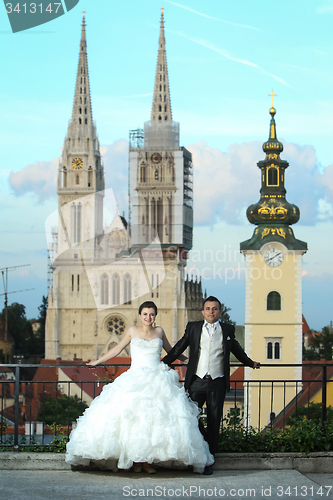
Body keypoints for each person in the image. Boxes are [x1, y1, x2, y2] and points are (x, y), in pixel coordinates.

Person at [65, 301, 214, 474]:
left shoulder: (159, 332)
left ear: (155, 316)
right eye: (145, 314)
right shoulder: (132, 331)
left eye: (151, 314)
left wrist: (190, 361)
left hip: (157, 379)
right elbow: (117, 350)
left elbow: (171, 351)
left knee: (153, 422)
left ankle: (147, 462)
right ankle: (136, 461)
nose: (148, 317)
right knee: (134, 421)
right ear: (140, 315)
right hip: (135, 378)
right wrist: (97, 361)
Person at [162, 296, 260, 475]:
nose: (211, 311)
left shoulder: (228, 329)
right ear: (203, 311)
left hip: (218, 382)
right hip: (196, 381)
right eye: (208, 308)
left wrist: (250, 362)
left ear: (220, 312)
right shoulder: (193, 327)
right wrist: (163, 362)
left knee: (214, 422)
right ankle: (196, 453)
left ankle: (208, 461)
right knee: (191, 417)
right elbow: (179, 347)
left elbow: (236, 349)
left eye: (214, 309)